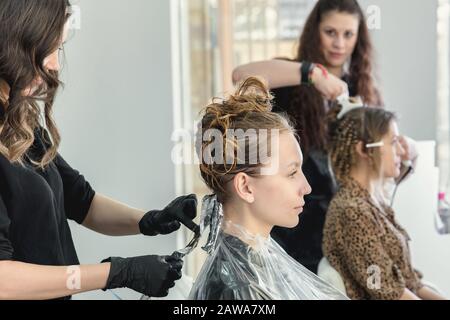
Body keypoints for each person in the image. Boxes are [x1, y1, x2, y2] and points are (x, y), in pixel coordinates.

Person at [0, 0, 197, 300]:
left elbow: (83, 202)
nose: (55, 64)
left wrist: (149, 221)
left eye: (59, 49)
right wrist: (116, 273)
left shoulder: (20, 125)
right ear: (16, 41)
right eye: (49, 48)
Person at [232, 0, 417, 273]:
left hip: (341, 226)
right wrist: (312, 74)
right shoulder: (292, 80)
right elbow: (241, 75)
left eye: (348, 34)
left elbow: (374, 165)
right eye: (330, 32)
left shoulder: (364, 92)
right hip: (290, 224)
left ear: (359, 37)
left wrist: (403, 152)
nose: (339, 43)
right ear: (314, 31)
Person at [188, 77, 348, 300]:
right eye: (292, 173)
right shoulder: (238, 288)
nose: (307, 187)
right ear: (245, 187)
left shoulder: (257, 259)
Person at [322, 105, 447, 300]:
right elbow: (390, 293)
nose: (400, 151)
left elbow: (410, 283)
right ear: (364, 149)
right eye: (393, 142)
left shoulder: (372, 203)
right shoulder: (352, 212)